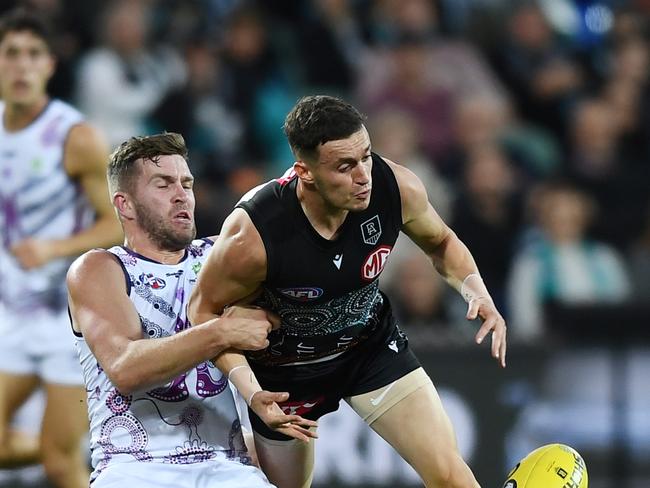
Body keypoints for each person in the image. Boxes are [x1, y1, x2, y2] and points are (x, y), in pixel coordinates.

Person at [188, 95, 507, 488]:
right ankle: (240, 455)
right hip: (287, 376)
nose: (364, 176)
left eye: (366, 156)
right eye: (345, 166)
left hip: (369, 348)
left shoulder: (397, 187)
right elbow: (203, 312)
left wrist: (476, 291)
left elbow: (441, 241)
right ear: (304, 171)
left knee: (450, 476)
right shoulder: (253, 234)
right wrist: (252, 393)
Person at [66, 133, 312, 488]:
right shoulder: (99, 268)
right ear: (125, 205)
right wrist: (221, 331)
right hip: (133, 467)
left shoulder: (218, 258)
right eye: (163, 185)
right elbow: (125, 368)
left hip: (225, 465)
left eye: (186, 183)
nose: (182, 195)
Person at [0, 9, 122, 488]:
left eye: (34, 55)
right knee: (54, 453)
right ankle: (118, 451)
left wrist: (56, 248)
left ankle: (76, 451)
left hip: (67, 321)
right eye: (11, 54)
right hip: (12, 315)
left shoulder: (76, 138)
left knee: (58, 466)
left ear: (50, 65)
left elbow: (117, 223)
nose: (22, 66)